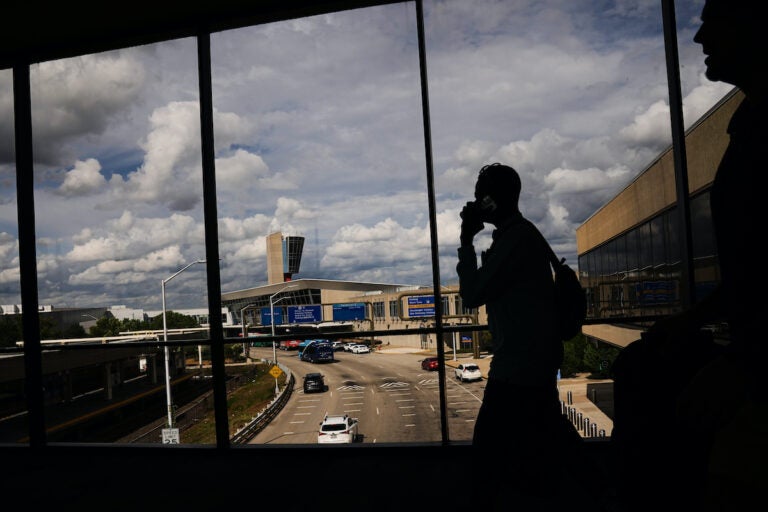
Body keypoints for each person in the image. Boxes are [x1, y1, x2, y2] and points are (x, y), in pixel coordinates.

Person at [619, 0, 768, 508]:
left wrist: (745, 364)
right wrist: (695, 318)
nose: (700, 37)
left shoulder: (762, 130)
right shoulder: (749, 122)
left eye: (712, 20)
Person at [456, 163, 583, 508]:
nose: (476, 202)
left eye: (480, 196)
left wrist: (467, 238)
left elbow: (471, 293)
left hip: (517, 371)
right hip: (530, 366)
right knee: (547, 443)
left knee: (488, 461)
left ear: (491, 200)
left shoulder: (515, 240)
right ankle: (596, 488)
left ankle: (598, 489)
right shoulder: (522, 236)